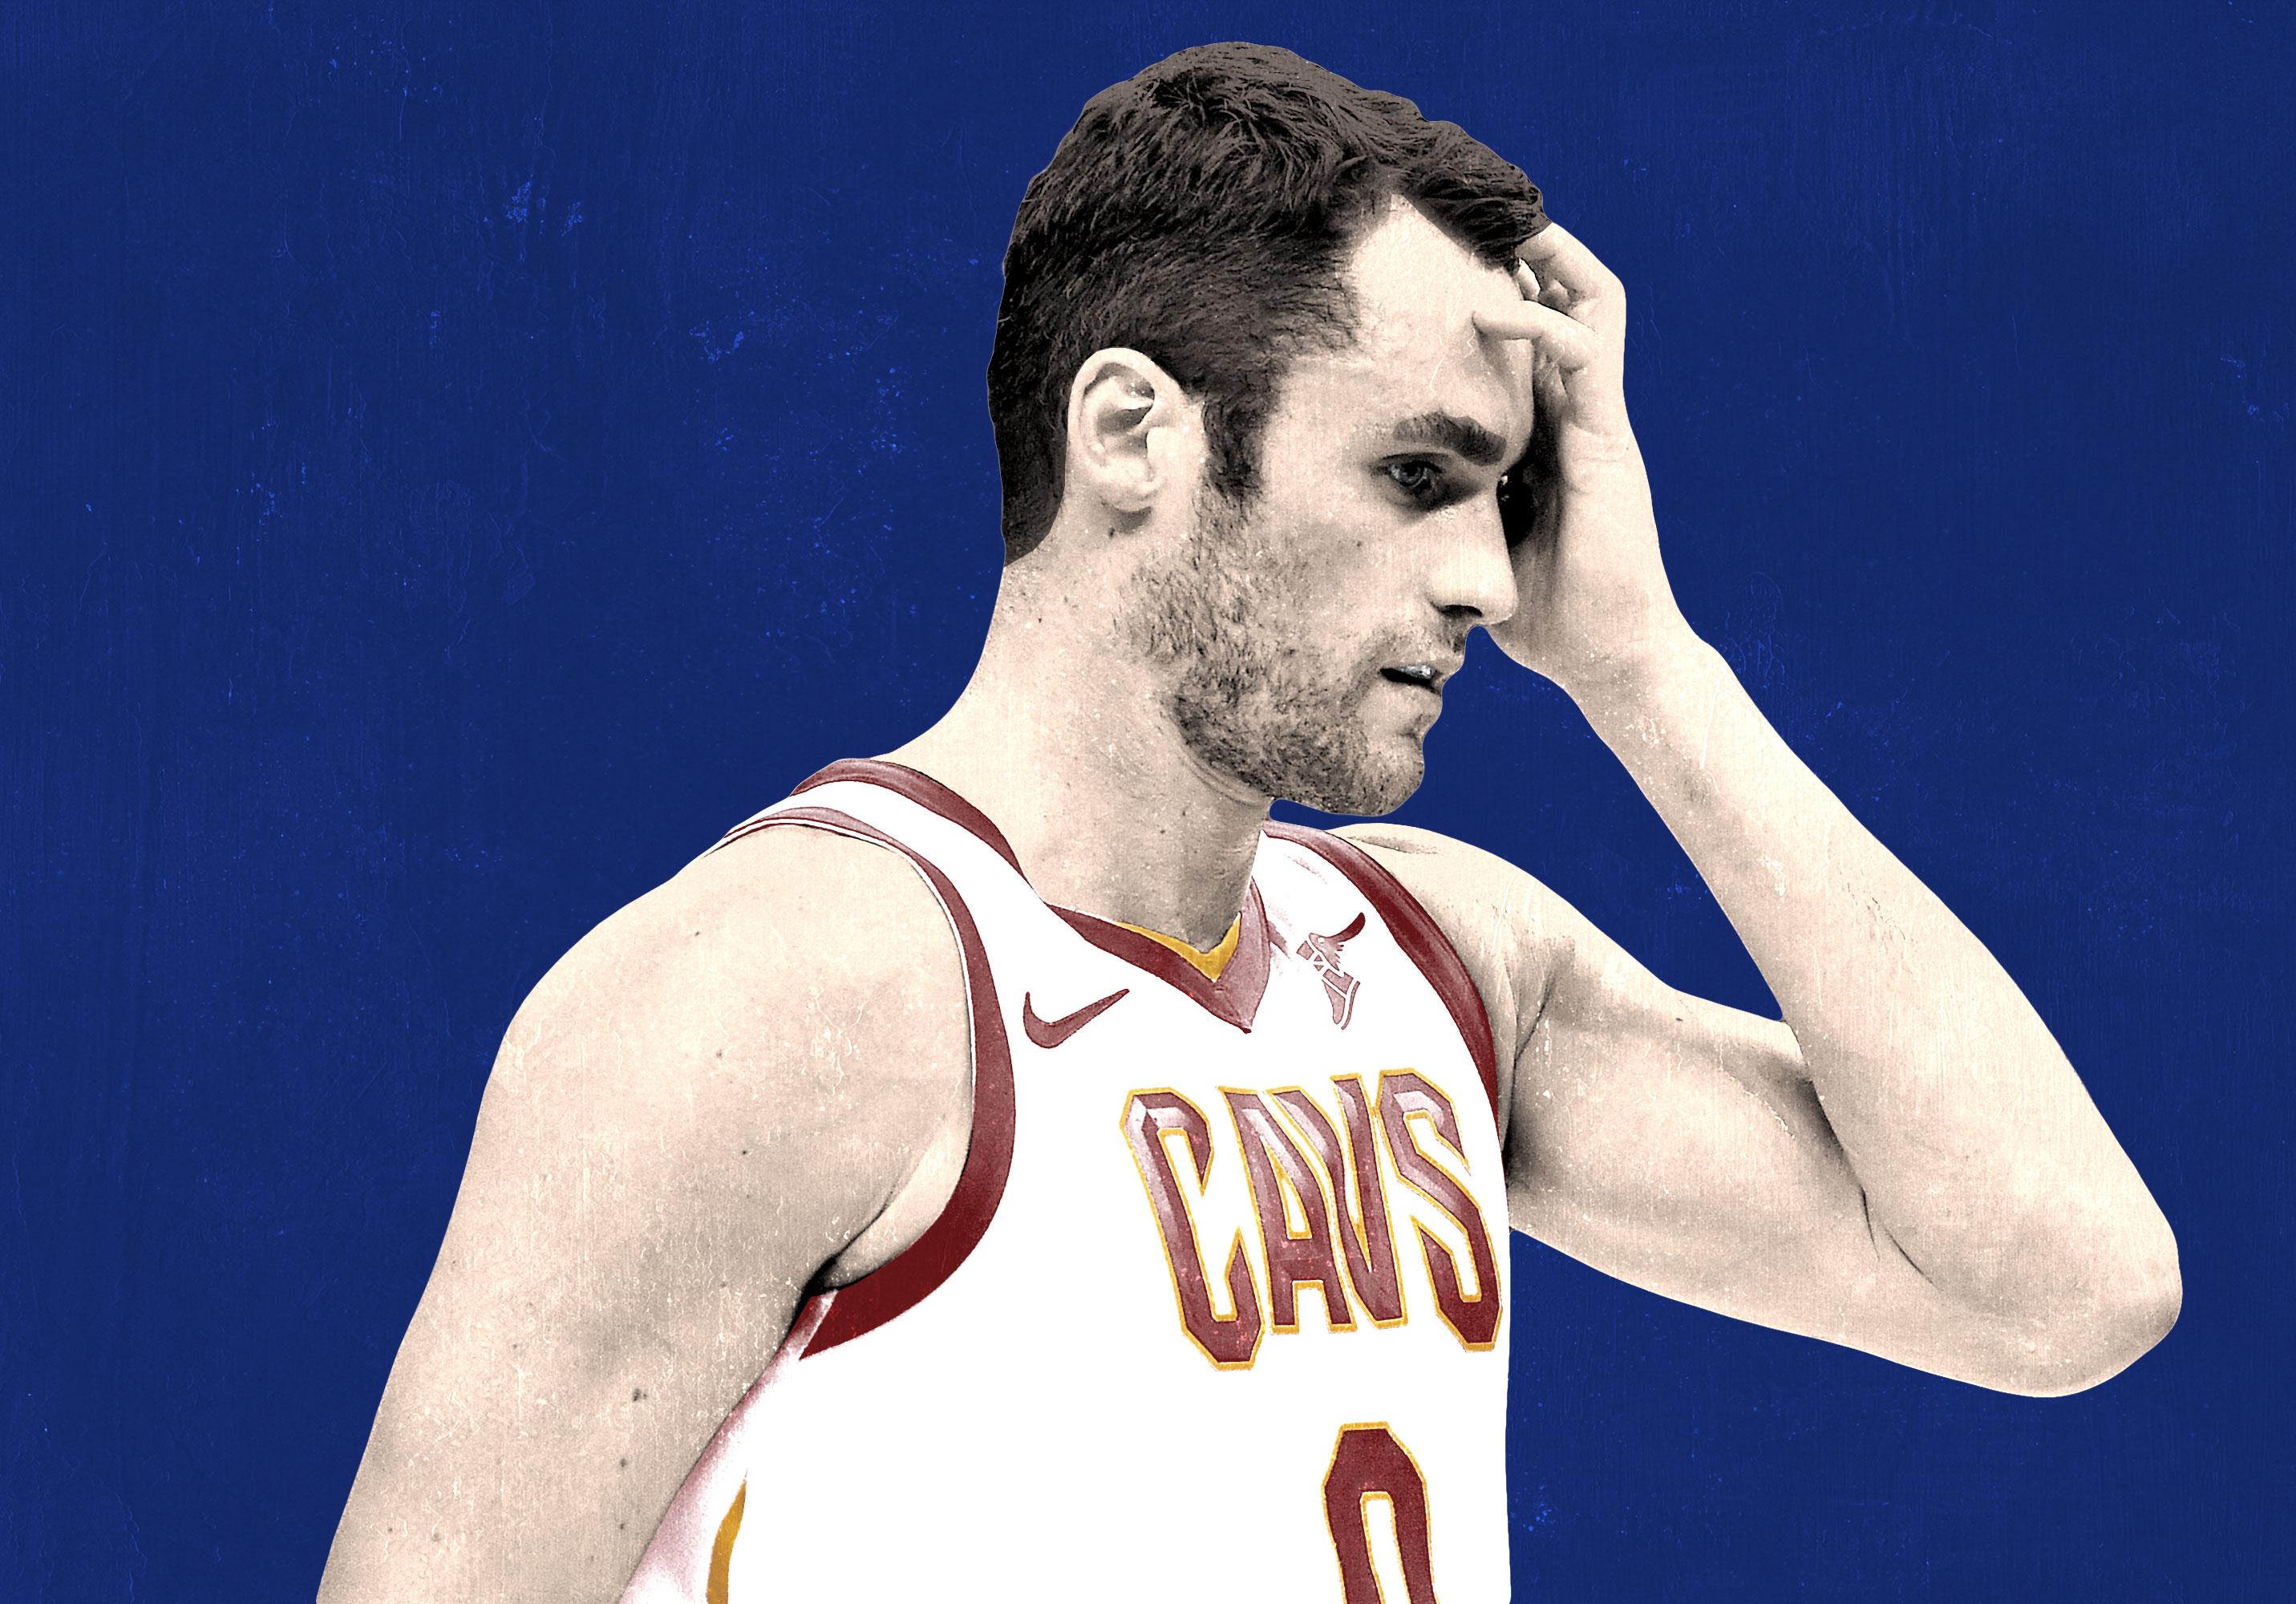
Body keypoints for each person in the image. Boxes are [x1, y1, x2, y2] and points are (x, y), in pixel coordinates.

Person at [319, 42, 2181, 1603]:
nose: (1486, 576)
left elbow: (2068, 1285)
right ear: (1135, 432)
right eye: (1418, 472)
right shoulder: (778, 995)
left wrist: (1643, 664)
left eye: (1508, 494)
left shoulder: (1445, 964)